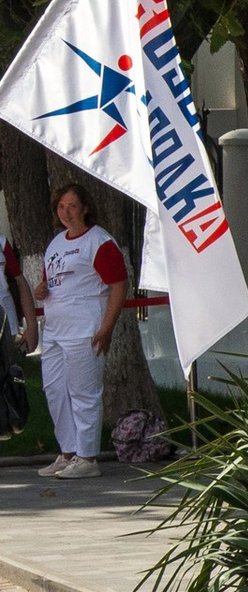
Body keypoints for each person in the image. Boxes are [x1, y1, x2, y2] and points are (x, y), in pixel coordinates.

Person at [30, 180, 127, 476]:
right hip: (55, 331)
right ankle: (68, 452)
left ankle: (87, 458)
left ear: (85, 208)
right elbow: (54, 281)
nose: (66, 212)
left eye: (72, 206)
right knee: (56, 391)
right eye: (61, 206)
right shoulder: (56, 243)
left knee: (84, 392)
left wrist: (107, 327)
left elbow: (119, 284)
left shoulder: (98, 241)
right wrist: (42, 290)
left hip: (85, 329)